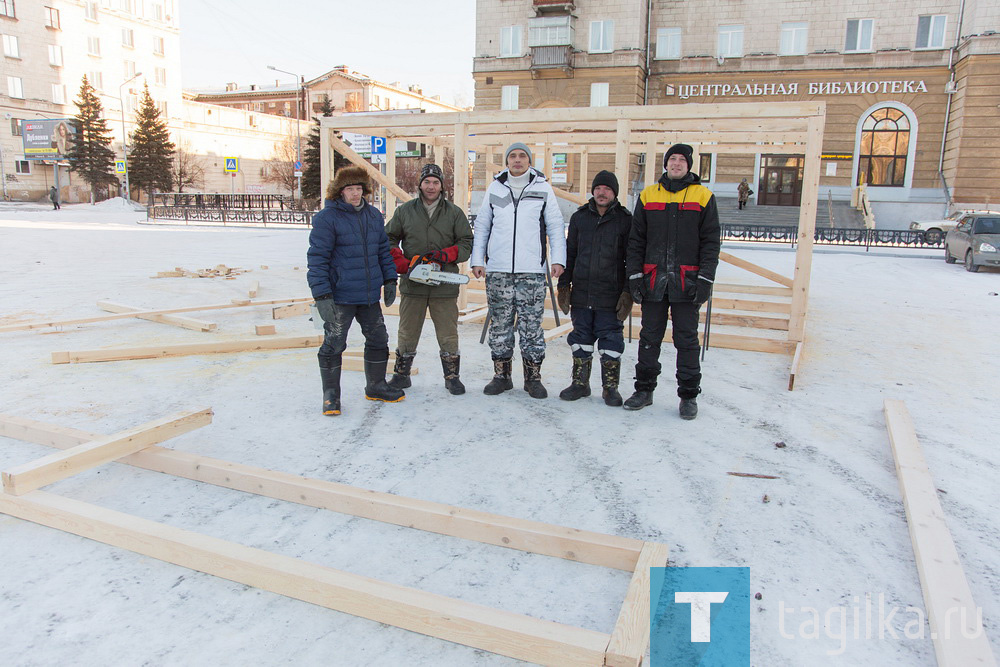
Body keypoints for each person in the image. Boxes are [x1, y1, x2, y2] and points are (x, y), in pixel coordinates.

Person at [625, 143, 721, 420]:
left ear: (689, 166)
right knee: (649, 338)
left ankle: (688, 395)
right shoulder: (648, 194)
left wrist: (705, 279)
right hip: (654, 281)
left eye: (682, 160)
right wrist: (635, 276)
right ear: (666, 164)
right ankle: (644, 390)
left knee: (687, 341)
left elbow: (711, 242)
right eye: (672, 159)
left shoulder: (703, 196)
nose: (676, 164)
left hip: (687, 283)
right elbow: (636, 241)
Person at [471, 142, 566, 399]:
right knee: (500, 324)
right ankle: (501, 376)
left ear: (529, 161)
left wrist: (558, 259)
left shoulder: (542, 188)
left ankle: (532, 378)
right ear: (507, 161)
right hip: (499, 269)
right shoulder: (495, 188)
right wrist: (477, 259)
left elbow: (555, 226)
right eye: (512, 156)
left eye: (522, 156)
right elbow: (482, 226)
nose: (517, 160)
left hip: (531, 271)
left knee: (531, 325)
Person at [307, 165, 403, 416]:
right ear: (340, 191)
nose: (355, 193)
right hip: (340, 296)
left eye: (359, 188)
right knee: (334, 343)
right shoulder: (327, 219)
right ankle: (331, 396)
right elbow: (317, 259)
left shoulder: (372, 215)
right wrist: (322, 295)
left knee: (378, 339)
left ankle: (376, 385)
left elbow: (383, 251)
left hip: (369, 295)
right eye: (350, 189)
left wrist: (390, 279)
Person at [385, 163, 474, 395]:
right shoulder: (405, 211)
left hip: (444, 284)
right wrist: (403, 263)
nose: (431, 186)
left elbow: (466, 242)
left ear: (442, 185)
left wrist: (448, 254)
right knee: (407, 330)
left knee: (447, 331)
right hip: (413, 283)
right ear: (420, 185)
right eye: (427, 182)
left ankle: (452, 376)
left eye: (435, 182)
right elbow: (388, 239)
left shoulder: (454, 213)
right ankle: (401, 374)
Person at [556, 170, 632, 406]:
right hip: (582, 292)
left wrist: (628, 292)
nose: (602, 192)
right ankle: (580, 384)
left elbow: (632, 258)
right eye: (598, 188)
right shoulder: (580, 218)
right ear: (593, 191)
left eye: (607, 189)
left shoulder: (625, 220)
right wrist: (563, 285)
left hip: (610, 295)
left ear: (614, 193)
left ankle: (610, 388)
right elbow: (570, 252)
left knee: (611, 341)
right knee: (580, 339)